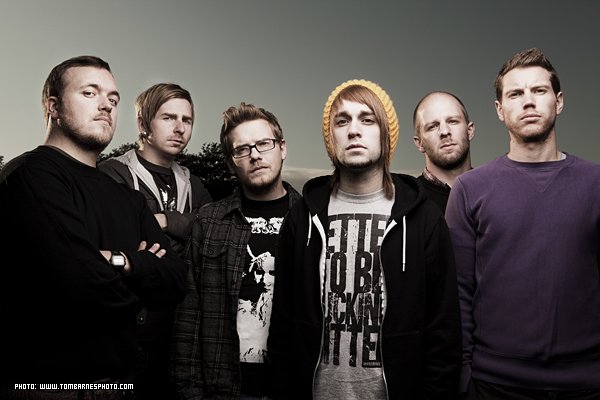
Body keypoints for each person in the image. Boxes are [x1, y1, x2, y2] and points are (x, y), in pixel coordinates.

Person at [0, 56, 187, 399]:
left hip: (122, 386)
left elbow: (175, 282)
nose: (106, 105)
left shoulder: (128, 198)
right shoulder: (29, 176)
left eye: (113, 99)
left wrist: (121, 262)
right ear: (53, 106)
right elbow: (81, 288)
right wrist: (143, 267)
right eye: (89, 93)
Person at [267, 79, 461, 399]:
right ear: (331, 137)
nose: (354, 130)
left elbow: (444, 334)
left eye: (367, 119)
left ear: (386, 134)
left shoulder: (423, 219)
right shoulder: (302, 218)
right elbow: (282, 327)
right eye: (342, 121)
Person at [445, 47, 600, 399]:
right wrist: (465, 379)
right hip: (493, 385)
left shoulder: (595, 184)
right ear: (500, 110)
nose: (528, 101)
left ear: (559, 101)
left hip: (587, 384)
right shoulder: (470, 189)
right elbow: (459, 295)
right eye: (515, 94)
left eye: (539, 90)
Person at [171, 102, 301, 399]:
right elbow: (188, 317)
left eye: (264, 144)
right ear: (231, 164)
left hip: (291, 385)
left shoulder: (310, 219)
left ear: (282, 148)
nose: (255, 155)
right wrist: (189, 392)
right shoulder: (209, 222)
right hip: (223, 387)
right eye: (242, 149)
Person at [98, 83, 212, 399]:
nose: (180, 128)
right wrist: (181, 231)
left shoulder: (193, 183)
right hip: (128, 331)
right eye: (168, 117)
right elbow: (122, 243)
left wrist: (163, 221)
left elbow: (208, 230)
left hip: (181, 334)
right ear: (143, 123)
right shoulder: (114, 173)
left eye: (187, 120)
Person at [412, 91, 475, 212]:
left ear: (470, 131)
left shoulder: (494, 191)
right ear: (419, 143)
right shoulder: (408, 202)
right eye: (432, 126)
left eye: (453, 121)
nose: (445, 131)